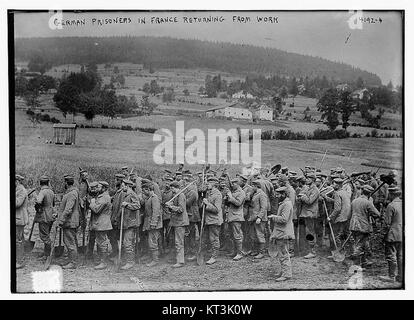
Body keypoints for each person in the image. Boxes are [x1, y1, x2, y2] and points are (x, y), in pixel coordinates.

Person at [349, 185, 381, 268]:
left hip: (353, 225)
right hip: (363, 226)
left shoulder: (354, 201)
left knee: (363, 243)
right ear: (370, 194)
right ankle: (355, 264)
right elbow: (377, 214)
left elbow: (351, 213)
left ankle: (364, 262)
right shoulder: (368, 202)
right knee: (360, 245)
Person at [268, 186, 294, 281]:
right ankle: (284, 271)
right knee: (281, 253)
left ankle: (286, 274)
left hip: (283, 232)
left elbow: (284, 219)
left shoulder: (286, 204)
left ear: (284, 194)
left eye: (278, 194)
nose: (276, 196)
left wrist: (273, 217)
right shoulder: (284, 203)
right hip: (281, 231)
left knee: (283, 253)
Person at [379, 186, 403, 283]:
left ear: (392, 194)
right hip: (401, 233)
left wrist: (382, 235)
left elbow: (387, 223)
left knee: (391, 255)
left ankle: (391, 276)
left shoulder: (391, 205)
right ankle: (401, 276)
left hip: (392, 234)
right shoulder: (403, 204)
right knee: (400, 255)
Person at [57, 174, 80, 269]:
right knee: (70, 241)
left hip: (70, 222)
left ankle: (73, 263)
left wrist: (61, 221)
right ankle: (71, 260)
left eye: (65, 182)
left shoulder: (72, 194)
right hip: (69, 221)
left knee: (70, 242)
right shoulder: (71, 192)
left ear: (66, 183)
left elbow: (68, 209)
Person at [89, 181, 112, 270]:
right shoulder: (102, 196)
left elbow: (96, 209)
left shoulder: (104, 197)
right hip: (100, 222)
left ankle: (103, 262)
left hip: (102, 223)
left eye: (99, 187)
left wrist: (92, 202)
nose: (97, 188)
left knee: (102, 242)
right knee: (100, 241)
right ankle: (101, 260)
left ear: (104, 188)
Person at [165, 181, 189, 268]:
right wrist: (169, 206)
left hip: (180, 222)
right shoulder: (176, 196)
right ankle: (178, 259)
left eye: (172, 188)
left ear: (176, 188)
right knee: (177, 241)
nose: (172, 190)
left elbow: (181, 209)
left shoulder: (181, 195)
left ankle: (180, 261)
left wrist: (171, 207)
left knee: (179, 242)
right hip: (176, 222)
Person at [119, 179, 141, 270]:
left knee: (127, 243)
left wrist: (127, 204)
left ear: (127, 186)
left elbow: (137, 206)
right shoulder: (126, 194)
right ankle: (129, 260)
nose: (121, 187)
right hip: (126, 222)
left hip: (131, 223)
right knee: (127, 242)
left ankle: (130, 262)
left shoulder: (132, 194)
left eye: (123, 186)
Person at [297, 173, 320, 259]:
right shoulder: (309, 188)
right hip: (306, 213)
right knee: (308, 231)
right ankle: (310, 250)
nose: (306, 180)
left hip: (311, 213)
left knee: (310, 232)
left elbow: (310, 201)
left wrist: (302, 197)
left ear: (312, 180)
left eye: (308, 179)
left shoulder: (315, 190)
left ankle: (313, 252)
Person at [202, 176, 223, 265]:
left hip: (215, 220)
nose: (207, 184)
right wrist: (203, 203)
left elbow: (216, 209)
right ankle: (211, 254)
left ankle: (214, 257)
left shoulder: (217, 195)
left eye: (209, 183)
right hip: (209, 220)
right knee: (209, 239)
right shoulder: (209, 193)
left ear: (214, 184)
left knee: (214, 239)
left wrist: (207, 204)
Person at [141, 180, 163, 267]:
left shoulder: (154, 198)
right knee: (151, 241)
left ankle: (155, 260)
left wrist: (153, 223)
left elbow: (156, 212)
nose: (143, 192)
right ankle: (153, 258)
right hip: (149, 223)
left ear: (148, 189)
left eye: (144, 190)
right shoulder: (149, 198)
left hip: (153, 224)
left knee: (153, 241)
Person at [326, 178, 351, 250]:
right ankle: (351, 251)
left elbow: (337, 209)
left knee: (335, 236)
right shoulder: (344, 192)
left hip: (340, 217)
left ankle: (338, 252)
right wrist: (327, 198)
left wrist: (330, 217)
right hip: (347, 216)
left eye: (333, 184)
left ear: (337, 185)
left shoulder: (337, 193)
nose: (332, 185)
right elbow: (338, 202)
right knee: (346, 234)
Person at [35, 175, 55, 259]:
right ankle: (46, 253)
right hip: (50, 215)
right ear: (48, 183)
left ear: (40, 183)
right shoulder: (51, 191)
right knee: (46, 233)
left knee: (44, 236)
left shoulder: (42, 192)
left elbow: (38, 201)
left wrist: (38, 209)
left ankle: (47, 255)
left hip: (44, 216)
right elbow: (53, 204)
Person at [225, 178, 246, 261]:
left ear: (238, 184)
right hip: (231, 216)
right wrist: (226, 199)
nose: (232, 185)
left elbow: (238, 203)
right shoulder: (234, 192)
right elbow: (229, 203)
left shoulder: (241, 193)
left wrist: (230, 197)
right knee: (232, 235)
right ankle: (235, 251)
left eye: (234, 183)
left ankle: (239, 253)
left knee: (237, 235)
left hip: (237, 216)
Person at [247, 180, 268, 260]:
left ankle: (261, 252)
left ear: (256, 186)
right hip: (253, 218)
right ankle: (255, 250)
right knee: (253, 235)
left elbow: (264, 207)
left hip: (259, 219)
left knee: (260, 235)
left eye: (253, 186)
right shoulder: (255, 194)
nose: (252, 188)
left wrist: (259, 217)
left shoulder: (262, 194)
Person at [183, 171, 199, 262]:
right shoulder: (187, 192)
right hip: (188, 215)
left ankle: (193, 253)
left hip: (192, 216)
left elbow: (187, 203)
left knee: (191, 235)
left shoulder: (193, 192)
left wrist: (182, 198)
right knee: (188, 234)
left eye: (185, 182)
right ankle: (188, 251)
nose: (184, 184)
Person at [108, 173, 125, 259]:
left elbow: (121, 207)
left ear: (120, 181)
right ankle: (115, 251)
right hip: (113, 217)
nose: (115, 181)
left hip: (118, 219)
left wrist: (117, 218)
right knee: (112, 236)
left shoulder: (122, 192)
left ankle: (121, 254)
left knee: (120, 237)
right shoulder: (117, 191)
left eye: (116, 180)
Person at [15, 174, 28, 269]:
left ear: (17, 181)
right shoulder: (18, 189)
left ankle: (20, 261)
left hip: (19, 219)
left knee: (18, 241)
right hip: (17, 218)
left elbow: (17, 203)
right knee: (19, 239)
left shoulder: (21, 190)